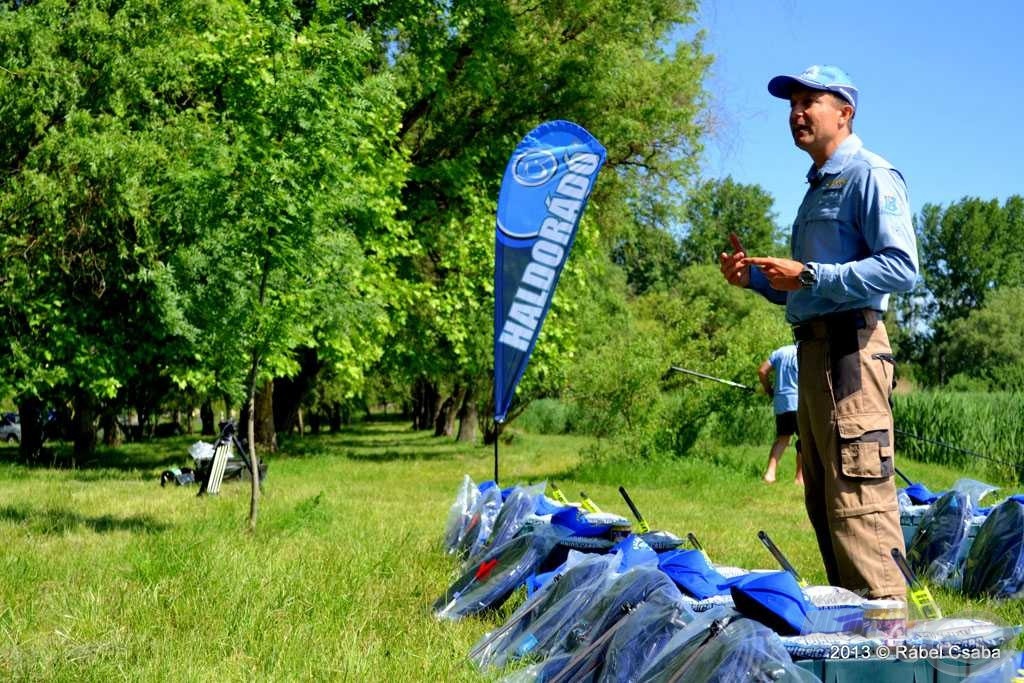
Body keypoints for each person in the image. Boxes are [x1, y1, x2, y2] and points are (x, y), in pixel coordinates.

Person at [718, 65, 918, 600]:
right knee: (827, 502)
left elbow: (902, 268)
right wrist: (758, 280)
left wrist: (807, 273)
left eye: (810, 102)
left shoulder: (870, 175)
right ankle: (855, 638)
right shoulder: (816, 187)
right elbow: (807, 289)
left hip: (851, 353)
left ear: (845, 113)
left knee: (860, 501)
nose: (797, 113)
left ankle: (891, 641)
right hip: (814, 354)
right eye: (792, 105)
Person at [758, 344, 803, 485]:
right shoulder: (806, 350)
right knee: (804, 440)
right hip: (800, 401)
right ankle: (799, 478)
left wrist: (768, 389)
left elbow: (762, 371)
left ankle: (770, 474)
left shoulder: (780, 352)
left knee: (783, 438)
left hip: (781, 401)